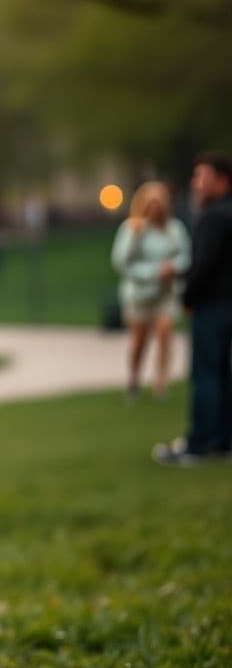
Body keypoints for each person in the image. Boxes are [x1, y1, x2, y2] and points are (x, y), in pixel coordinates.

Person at [152, 154, 232, 466]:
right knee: (223, 375)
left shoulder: (213, 217)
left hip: (213, 306)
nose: (195, 183)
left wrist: (188, 297)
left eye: (201, 176)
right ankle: (223, 440)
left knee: (206, 374)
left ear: (221, 180)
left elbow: (205, 264)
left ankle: (199, 444)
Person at [111, 181, 191, 400]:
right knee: (140, 340)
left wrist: (173, 267)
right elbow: (121, 262)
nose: (155, 208)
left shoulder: (174, 228)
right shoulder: (133, 228)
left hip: (166, 292)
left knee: (165, 332)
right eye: (151, 203)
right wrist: (153, 272)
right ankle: (134, 378)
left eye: (159, 203)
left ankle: (160, 382)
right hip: (140, 293)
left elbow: (186, 255)